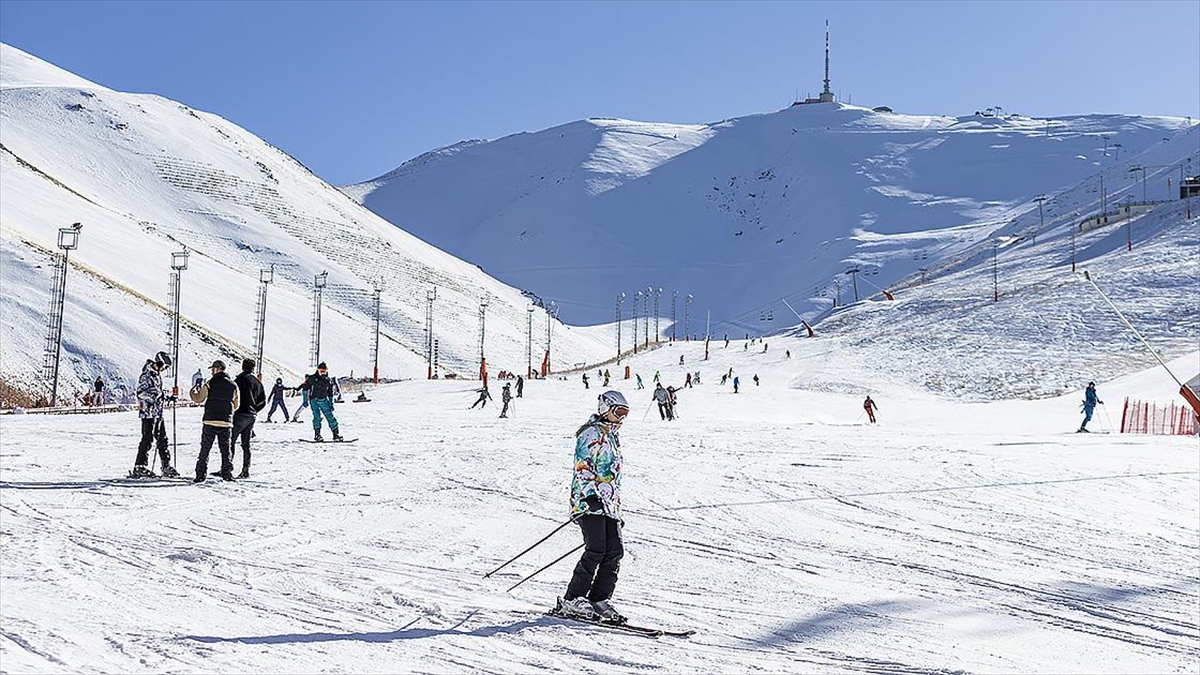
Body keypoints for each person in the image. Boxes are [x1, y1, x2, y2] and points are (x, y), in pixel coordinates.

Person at [555, 390, 630, 624]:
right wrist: (589, 495)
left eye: (625, 413)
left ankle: (599, 599)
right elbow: (583, 466)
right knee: (596, 549)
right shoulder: (591, 433)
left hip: (609, 505)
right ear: (605, 408)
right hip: (588, 502)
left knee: (615, 551)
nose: (622, 417)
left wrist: (616, 508)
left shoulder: (611, 435)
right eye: (619, 412)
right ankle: (572, 598)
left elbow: (612, 474)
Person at [189, 360, 240, 482]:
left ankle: (200, 474)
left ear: (217, 369)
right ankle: (227, 473)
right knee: (225, 449)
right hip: (226, 422)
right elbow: (236, 405)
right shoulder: (233, 386)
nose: (212, 371)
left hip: (210, 420)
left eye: (213, 369)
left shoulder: (210, 383)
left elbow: (198, 399)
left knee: (205, 449)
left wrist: (193, 391)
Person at [131, 352, 180, 478]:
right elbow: (141, 393)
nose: (165, 369)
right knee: (147, 439)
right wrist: (156, 397)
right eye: (165, 366)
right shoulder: (146, 375)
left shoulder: (156, 375)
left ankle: (165, 465)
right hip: (148, 413)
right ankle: (139, 466)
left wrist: (170, 397)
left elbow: (158, 393)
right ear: (159, 363)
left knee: (162, 439)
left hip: (157, 412)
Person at [231, 359, 266, 478]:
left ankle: (227, 468)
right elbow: (263, 401)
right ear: (253, 368)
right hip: (251, 416)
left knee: (230, 441)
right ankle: (245, 469)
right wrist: (254, 410)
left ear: (243, 367)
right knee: (246, 444)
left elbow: (233, 397)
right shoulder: (257, 382)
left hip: (239, 414)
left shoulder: (239, 380)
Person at [309, 362, 343, 442]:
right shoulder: (312, 379)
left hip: (323, 400)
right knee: (317, 417)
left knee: (330, 417)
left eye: (324, 371)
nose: (322, 373)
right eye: (321, 371)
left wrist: (331, 403)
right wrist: (305, 399)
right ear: (318, 370)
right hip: (314, 400)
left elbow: (330, 393)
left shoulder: (328, 381)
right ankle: (317, 435)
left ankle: (335, 434)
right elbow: (305, 388)